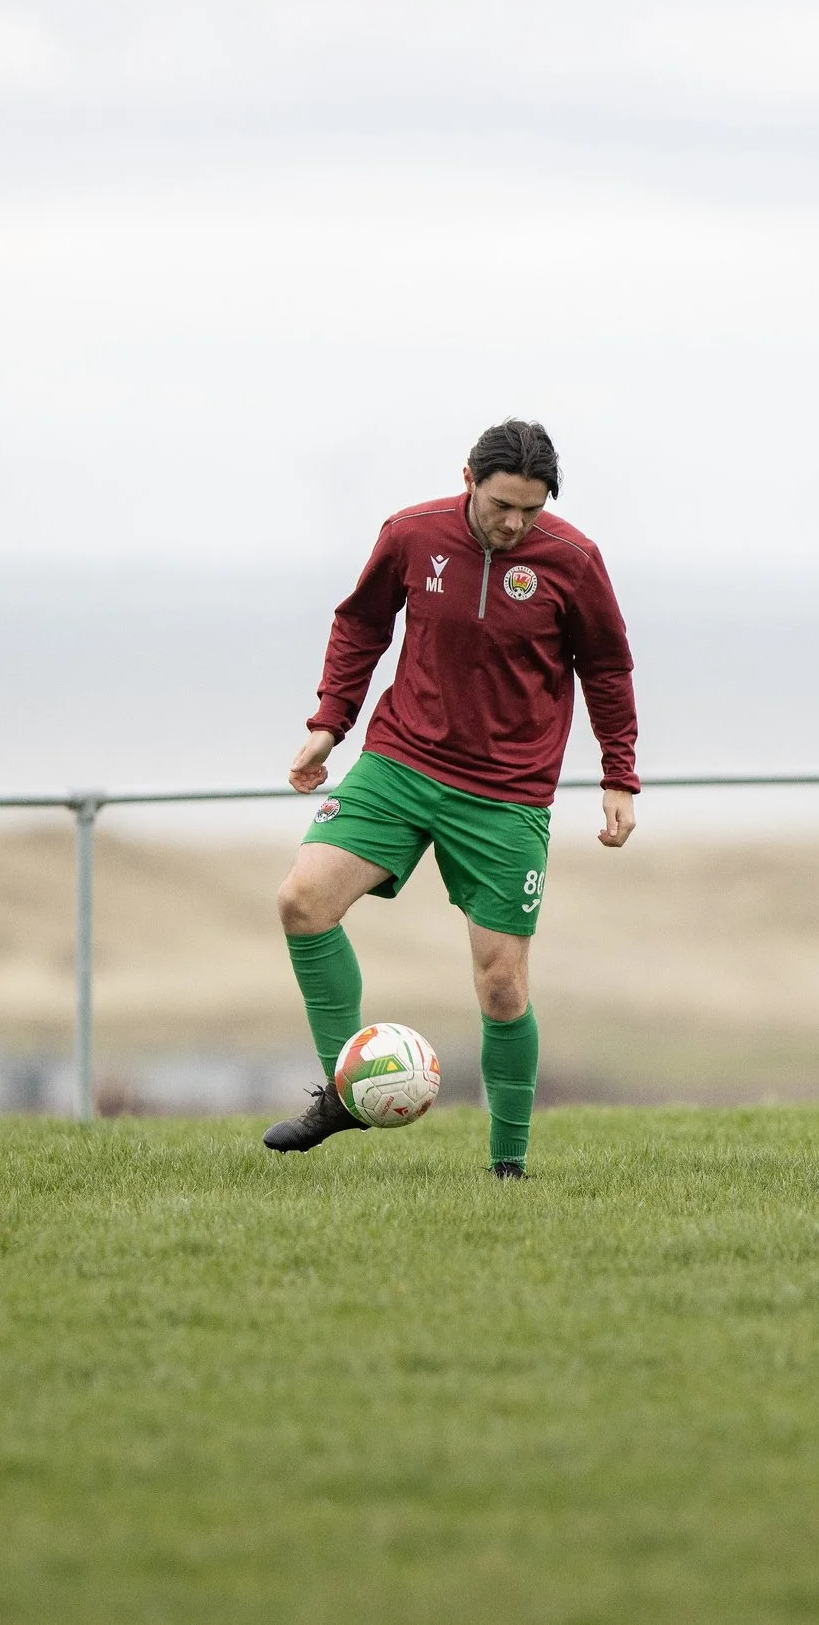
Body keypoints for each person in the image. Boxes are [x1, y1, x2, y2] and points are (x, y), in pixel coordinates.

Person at [263, 419, 641, 1178]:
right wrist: (327, 725)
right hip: (400, 762)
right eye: (502, 505)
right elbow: (362, 624)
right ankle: (345, 1085)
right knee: (302, 901)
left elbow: (606, 667)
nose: (513, 523)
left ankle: (508, 1167)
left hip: (506, 795)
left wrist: (617, 775)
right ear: (468, 477)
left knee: (502, 986)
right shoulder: (411, 534)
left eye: (530, 511)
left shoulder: (572, 560)